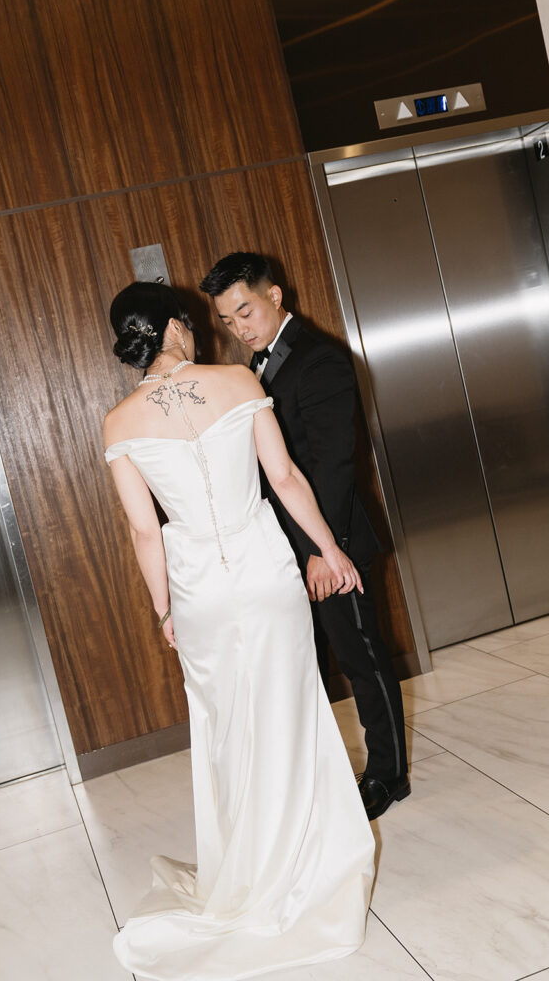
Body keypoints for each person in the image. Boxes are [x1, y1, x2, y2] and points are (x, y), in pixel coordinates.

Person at [103, 281, 375, 981]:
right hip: (263, 569)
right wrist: (329, 549)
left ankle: (246, 866)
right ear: (170, 328)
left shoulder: (119, 422)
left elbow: (143, 530)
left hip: (198, 587)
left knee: (226, 727)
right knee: (291, 708)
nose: (196, 331)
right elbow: (283, 478)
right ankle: (308, 860)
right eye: (189, 323)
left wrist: (163, 607)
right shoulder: (236, 380)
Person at [199, 252, 410, 821]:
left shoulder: (318, 361)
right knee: (317, 659)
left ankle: (389, 776)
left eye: (245, 311)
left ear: (274, 296)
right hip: (290, 548)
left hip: (333, 545)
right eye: (227, 320)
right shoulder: (263, 366)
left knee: (362, 657)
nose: (239, 328)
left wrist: (324, 551)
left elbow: (334, 464)